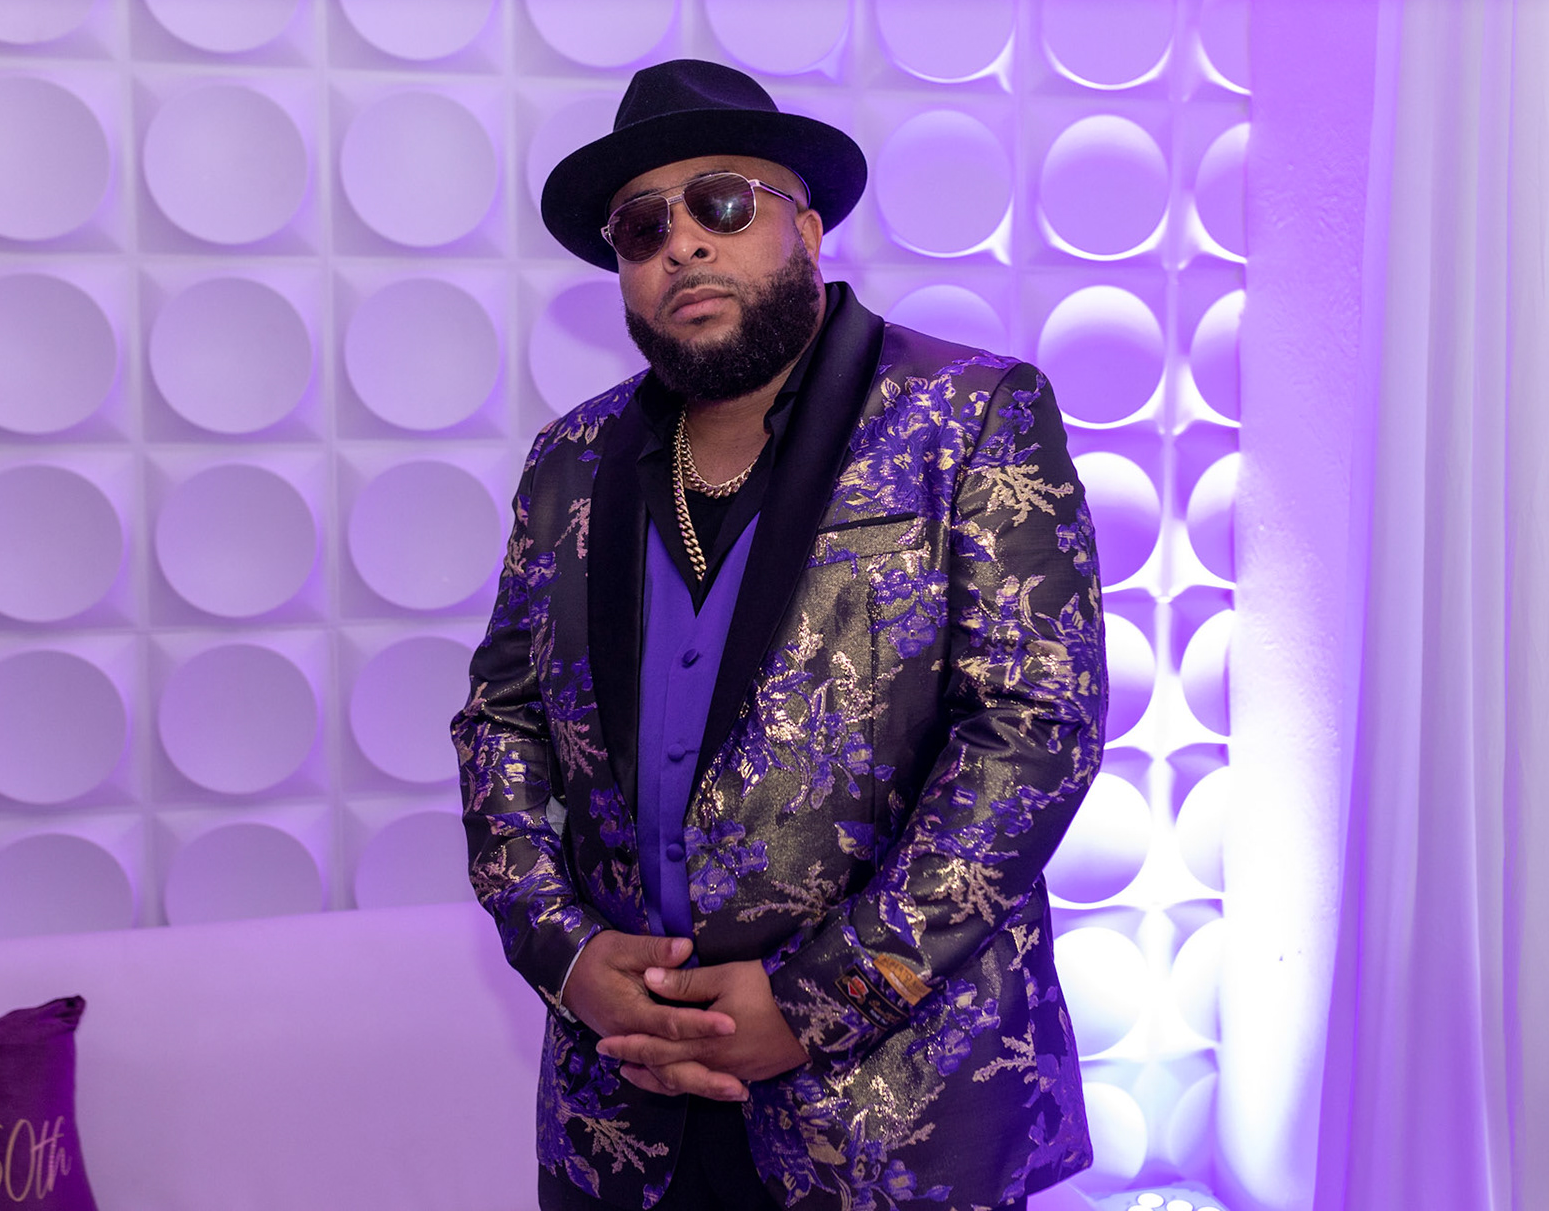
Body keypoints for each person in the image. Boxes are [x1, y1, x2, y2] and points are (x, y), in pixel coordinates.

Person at [452, 59, 1106, 1211]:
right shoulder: (568, 462)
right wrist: (565, 954)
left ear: (805, 225)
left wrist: (816, 999)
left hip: (895, 1112)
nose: (682, 244)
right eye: (642, 226)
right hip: (623, 1110)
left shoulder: (970, 414)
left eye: (722, 201)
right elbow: (499, 722)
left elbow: (1035, 730)